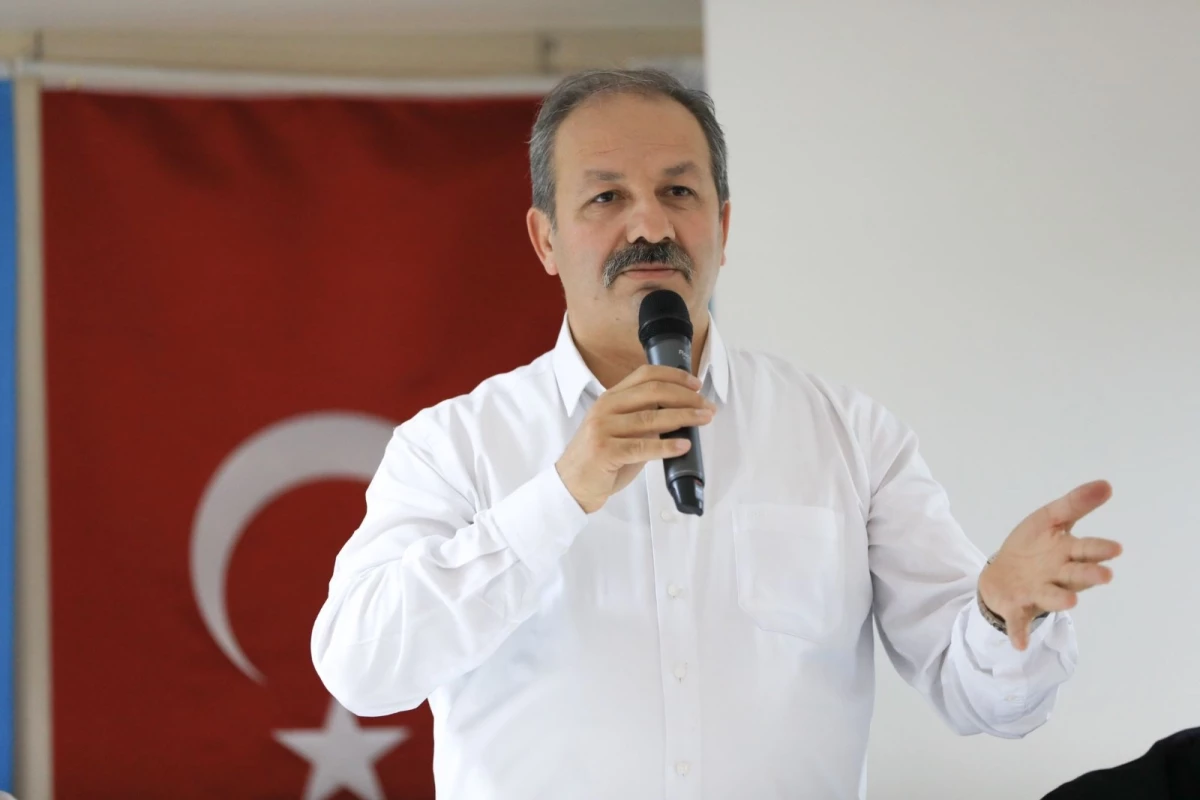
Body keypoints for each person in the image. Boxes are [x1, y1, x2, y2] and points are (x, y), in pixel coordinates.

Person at [311, 69, 1123, 799]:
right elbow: (363, 669)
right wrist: (561, 495)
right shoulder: (453, 446)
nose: (648, 225)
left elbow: (988, 700)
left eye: (678, 191)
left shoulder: (847, 435)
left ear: (724, 227)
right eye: (606, 198)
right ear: (545, 239)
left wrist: (1001, 612)